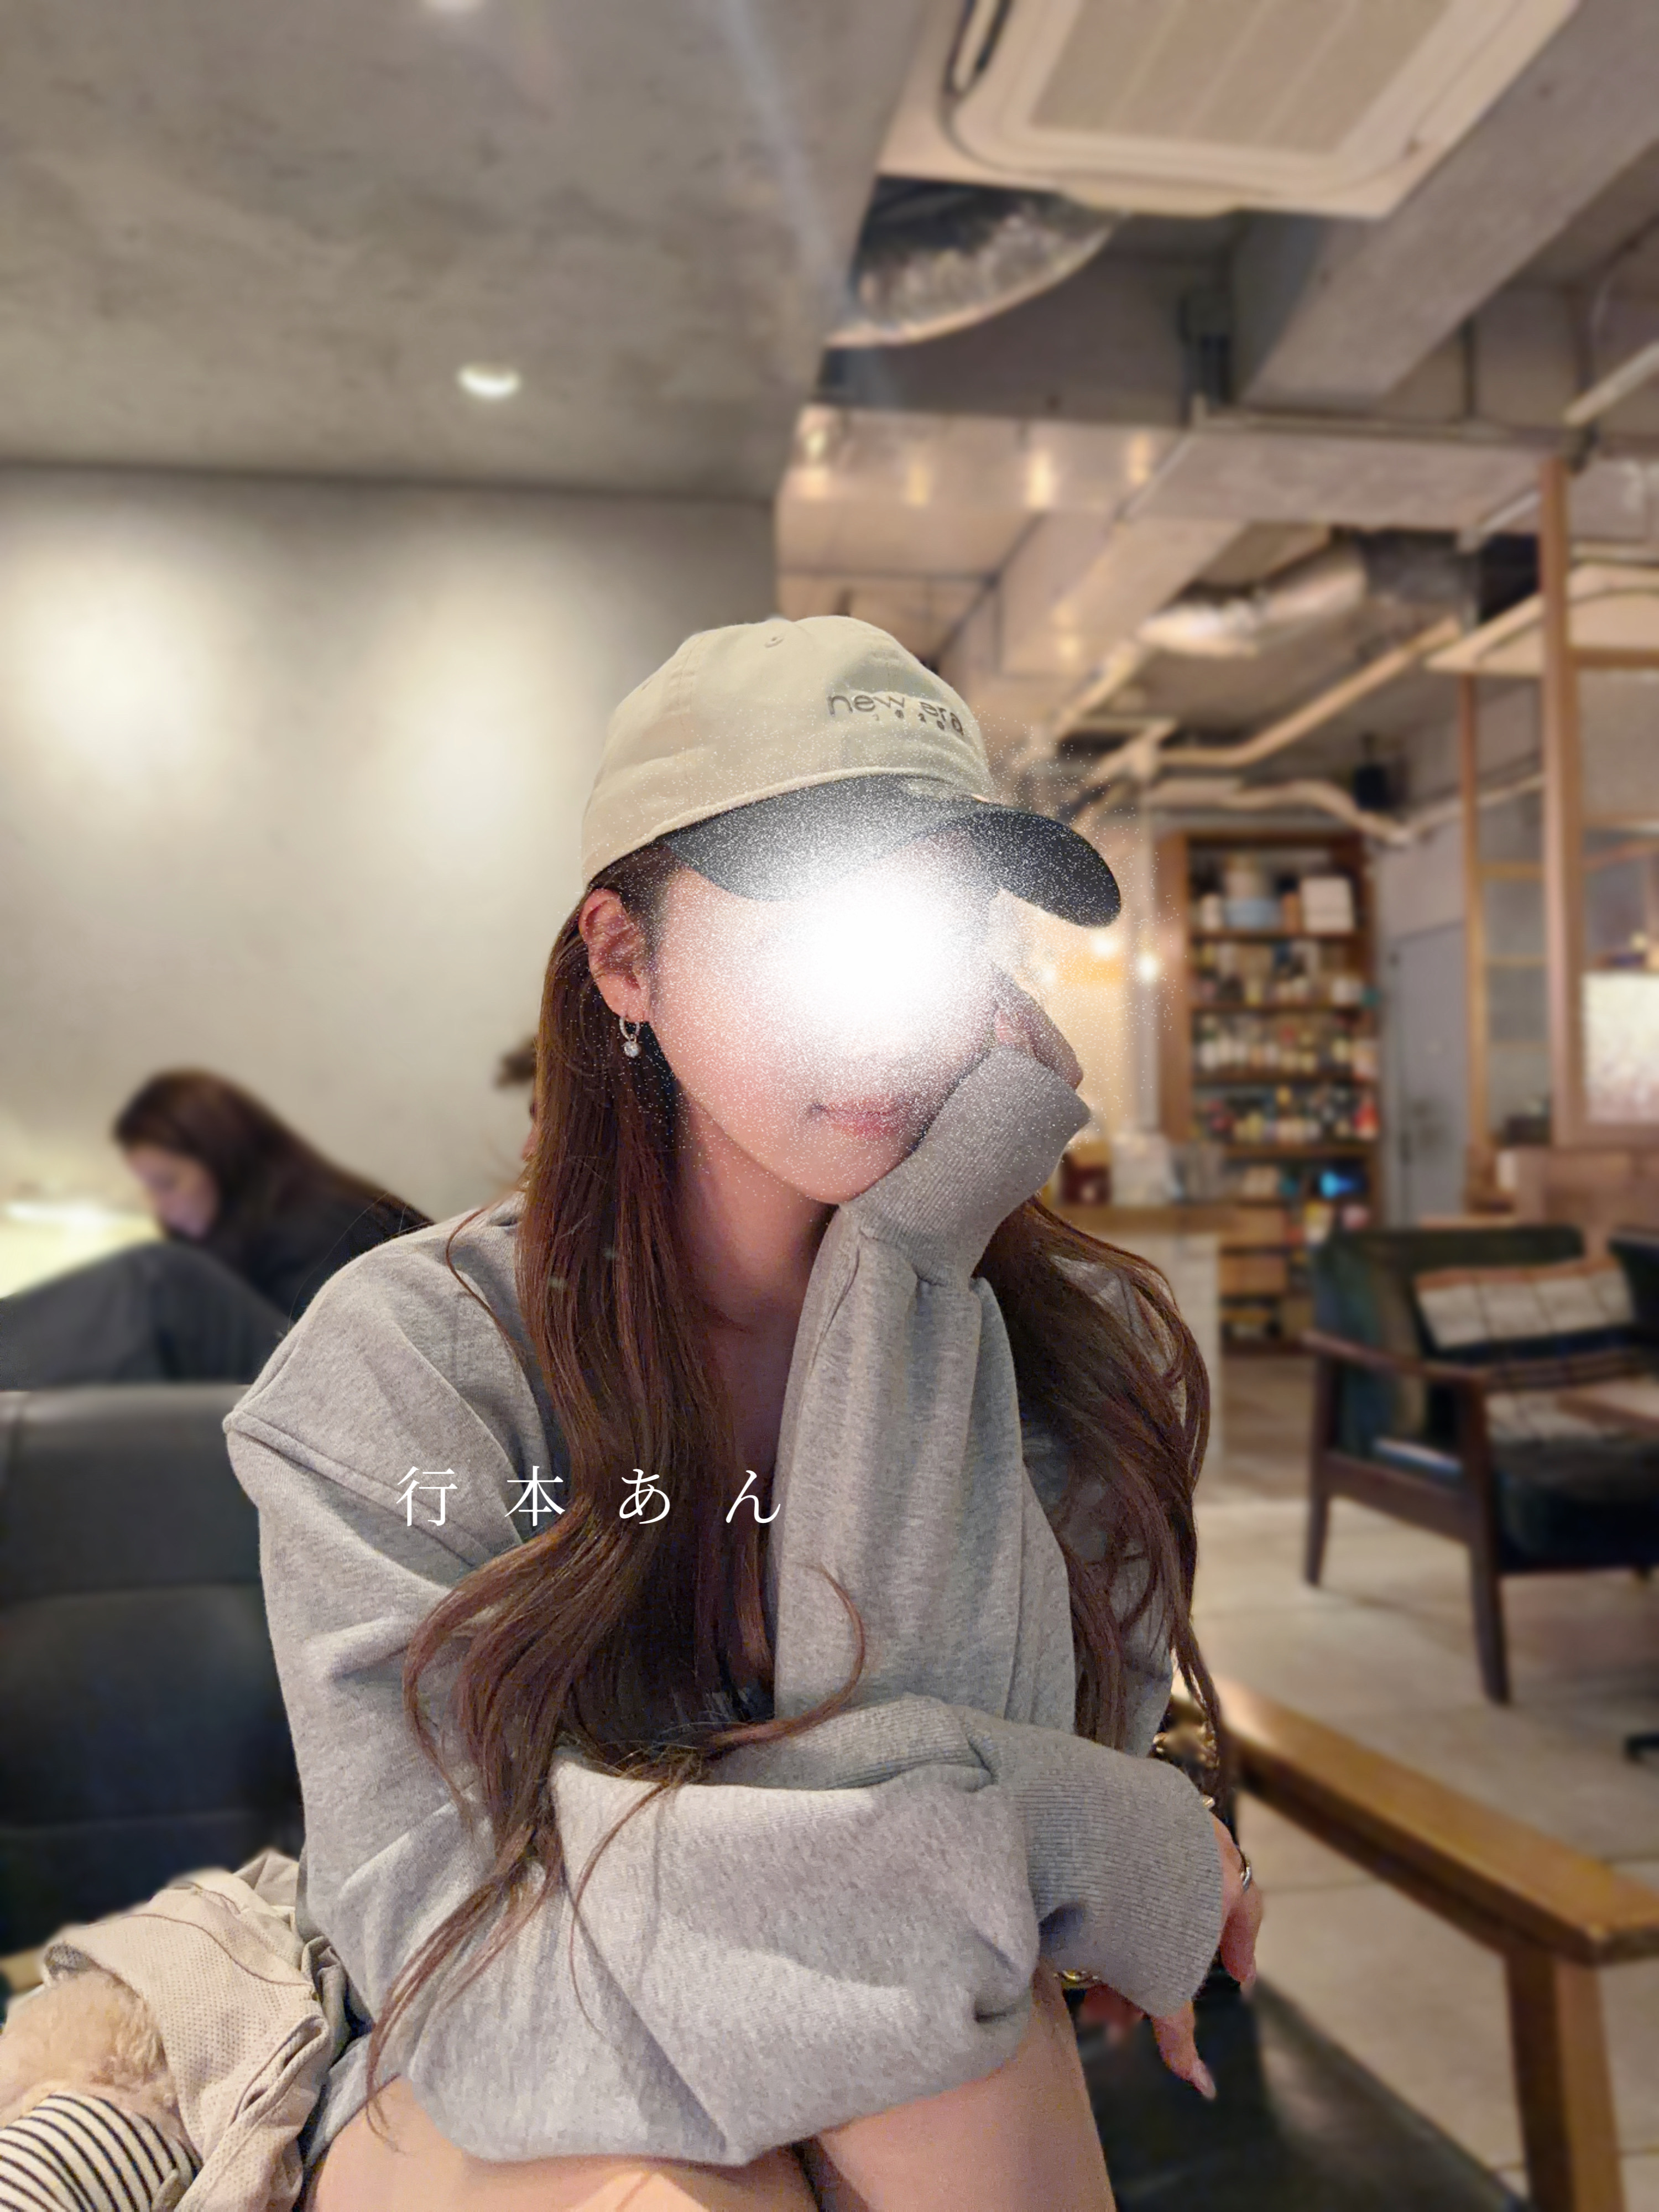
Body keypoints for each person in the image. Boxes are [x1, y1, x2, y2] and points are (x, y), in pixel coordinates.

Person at [225, 617, 1261, 2211]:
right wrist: (1088, 1831)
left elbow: (939, 1938)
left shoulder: (1081, 1356)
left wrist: (910, 1266)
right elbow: (457, 1953)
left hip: (930, 2075)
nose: (885, 1019)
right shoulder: (414, 1363)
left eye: (939, 931)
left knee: (937, 2038)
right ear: (623, 960)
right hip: (497, 2088)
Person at [0, 1072, 427, 1387]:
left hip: (356, 1406)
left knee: (158, 1278)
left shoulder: (323, 1227)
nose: (160, 1207)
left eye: (168, 1184)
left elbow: (346, 1380)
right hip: (316, 1399)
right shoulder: (270, 1240)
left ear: (225, 1160)